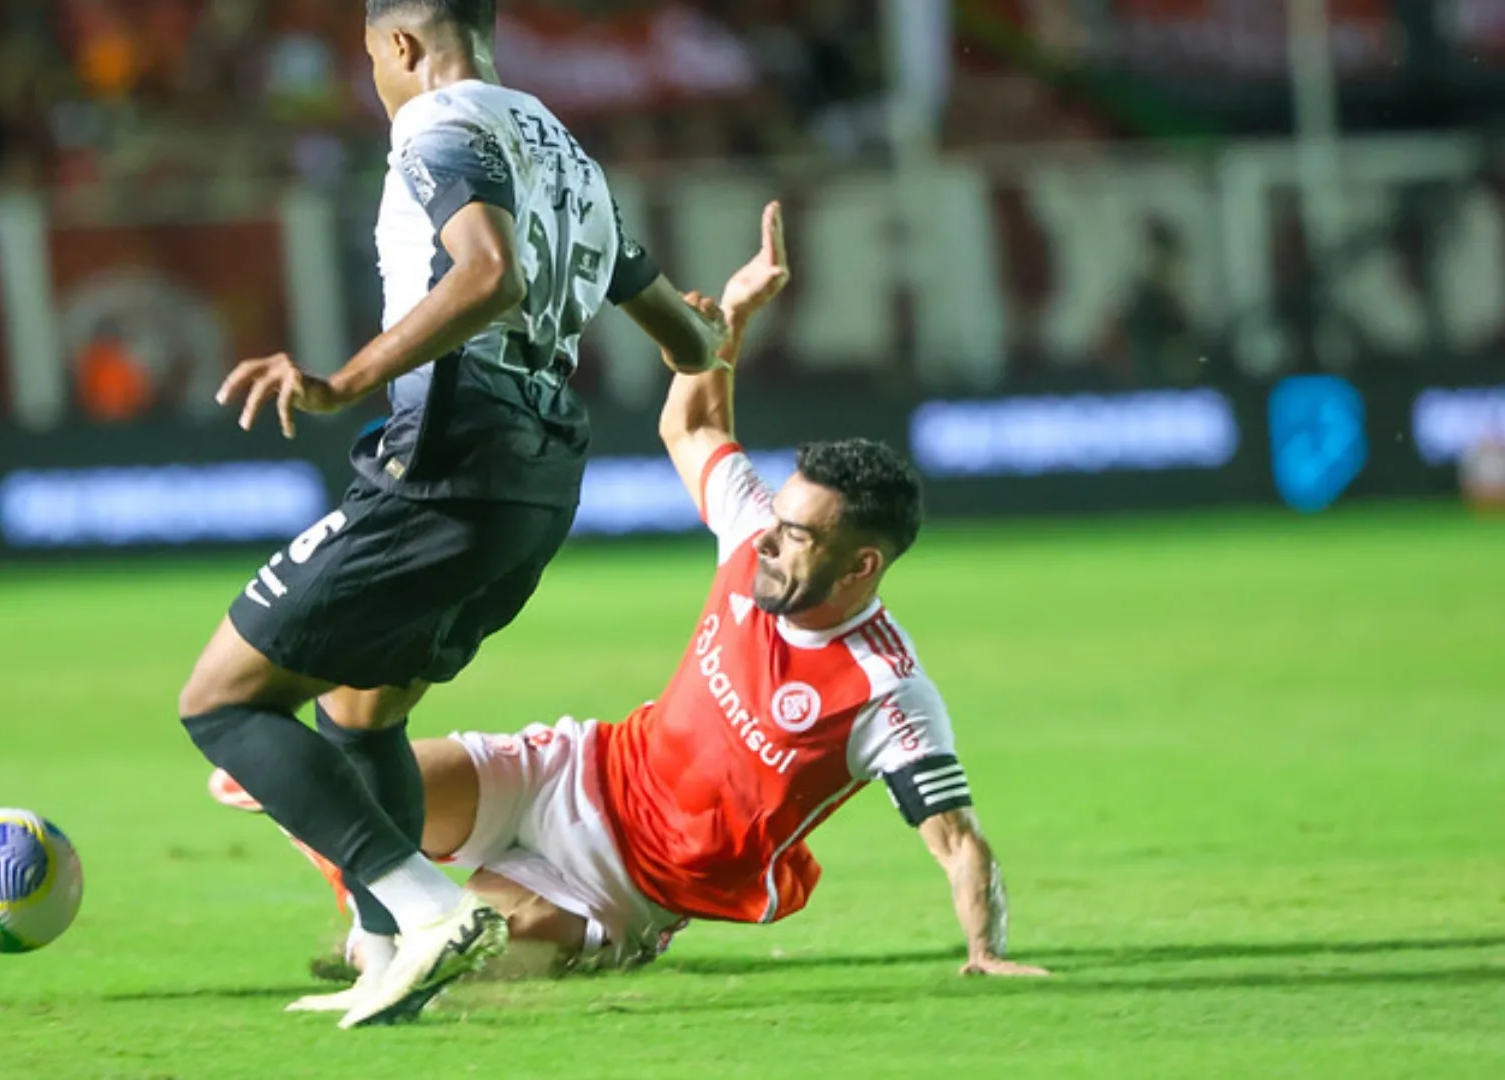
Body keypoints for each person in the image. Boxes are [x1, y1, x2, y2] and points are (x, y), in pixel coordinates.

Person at [211, 204, 1051, 981]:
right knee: (335, 796)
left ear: (861, 566)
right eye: (779, 516)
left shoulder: (884, 691)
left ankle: (385, 941)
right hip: (566, 773)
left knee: (451, 956)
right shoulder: (753, 538)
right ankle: (374, 908)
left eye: (798, 535)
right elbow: (695, 427)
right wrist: (728, 322)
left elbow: (956, 841)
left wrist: (987, 951)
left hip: (626, 887)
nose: (769, 536)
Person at [176, 0, 727, 1030]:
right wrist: (711, 323)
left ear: (399, 45)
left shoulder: (437, 130)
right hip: (545, 471)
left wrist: (341, 382)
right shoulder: (568, 156)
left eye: (371, 65)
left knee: (220, 701)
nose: (375, 86)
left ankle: (427, 909)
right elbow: (690, 346)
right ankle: (389, 954)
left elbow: (487, 273)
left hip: (453, 443)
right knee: (365, 707)